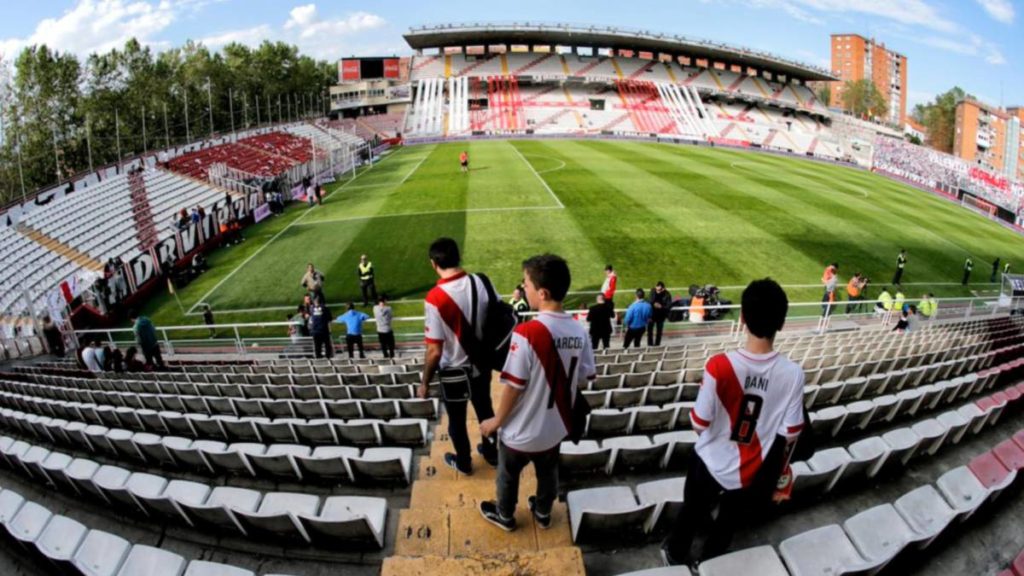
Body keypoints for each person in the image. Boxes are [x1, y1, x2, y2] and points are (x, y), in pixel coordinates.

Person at [661, 278, 805, 567]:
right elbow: (790, 433)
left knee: (692, 510)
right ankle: (711, 562)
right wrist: (780, 475)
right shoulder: (793, 374)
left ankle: (676, 554)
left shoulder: (719, 366)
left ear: (742, 318)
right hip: (752, 468)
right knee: (728, 521)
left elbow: (698, 423)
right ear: (782, 323)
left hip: (710, 460)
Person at [478, 254, 596, 532]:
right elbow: (584, 378)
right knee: (547, 473)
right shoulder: (580, 331)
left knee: (507, 476)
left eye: (526, 284)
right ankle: (543, 512)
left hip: (520, 430)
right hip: (555, 428)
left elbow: (513, 387)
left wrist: (495, 422)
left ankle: (505, 516)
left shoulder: (526, 333)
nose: (524, 288)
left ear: (542, 293)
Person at [417, 237, 498, 473]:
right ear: (458, 256)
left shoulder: (434, 298)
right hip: (482, 364)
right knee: (486, 411)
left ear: (433, 263)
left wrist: (424, 383)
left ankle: (464, 462)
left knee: (457, 421)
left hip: (453, 372)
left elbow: (434, 351)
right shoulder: (482, 281)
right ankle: (492, 453)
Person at [648, 282, 672, 346]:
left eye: (659, 290)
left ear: (663, 289)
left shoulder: (667, 294)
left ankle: (657, 344)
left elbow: (669, 306)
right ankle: (650, 344)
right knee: (650, 330)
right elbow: (650, 301)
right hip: (652, 315)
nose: (657, 291)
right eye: (657, 289)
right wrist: (653, 304)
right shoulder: (653, 291)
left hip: (661, 316)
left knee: (659, 332)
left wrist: (661, 307)